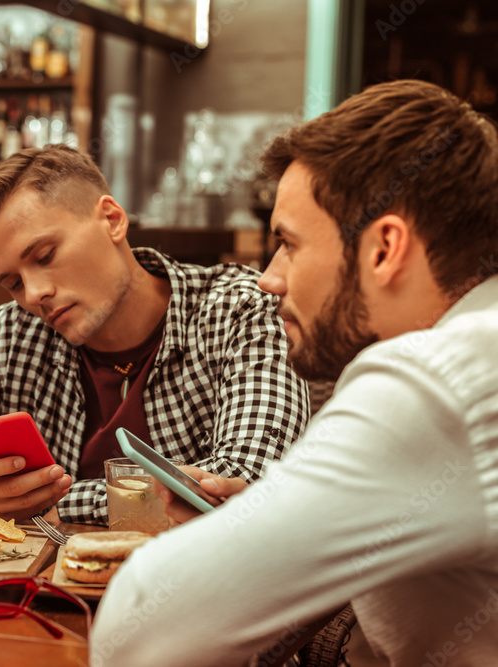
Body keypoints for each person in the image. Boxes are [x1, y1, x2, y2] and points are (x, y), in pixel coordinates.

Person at [92, 79, 498, 666]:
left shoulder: (435, 382)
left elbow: (141, 631)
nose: (269, 277)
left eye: (287, 243)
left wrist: (240, 539)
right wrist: (277, 527)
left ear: (384, 249)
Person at [0, 144, 309, 523]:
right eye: (13, 283)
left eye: (45, 256)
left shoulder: (242, 312)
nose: (35, 294)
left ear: (112, 219)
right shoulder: (12, 335)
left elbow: (244, 483)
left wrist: (41, 500)